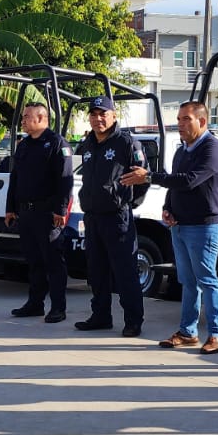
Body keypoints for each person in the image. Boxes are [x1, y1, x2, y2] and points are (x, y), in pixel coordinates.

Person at [124, 101, 218, 354]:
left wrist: (149, 176)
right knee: (188, 281)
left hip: (205, 227)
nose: (180, 124)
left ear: (201, 121)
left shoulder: (214, 149)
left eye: (186, 119)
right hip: (180, 226)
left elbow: (190, 181)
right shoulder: (182, 151)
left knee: (207, 280)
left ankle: (216, 334)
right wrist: (168, 207)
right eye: (179, 119)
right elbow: (175, 184)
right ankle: (187, 332)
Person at [72, 97, 147, 336]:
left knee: (125, 272)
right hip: (92, 217)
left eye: (103, 114)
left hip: (117, 218)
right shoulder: (87, 143)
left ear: (113, 116)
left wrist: (126, 202)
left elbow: (142, 179)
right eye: (93, 114)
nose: (98, 119)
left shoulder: (127, 143)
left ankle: (133, 320)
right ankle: (100, 316)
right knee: (97, 271)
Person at [4, 104, 74, 324]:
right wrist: (10, 208)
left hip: (47, 213)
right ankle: (35, 303)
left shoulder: (56, 143)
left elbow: (65, 180)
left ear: (41, 118)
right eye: (23, 117)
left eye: (27, 117)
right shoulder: (24, 145)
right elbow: (15, 178)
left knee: (53, 261)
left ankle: (58, 307)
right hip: (26, 212)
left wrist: (61, 210)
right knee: (34, 261)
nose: (23, 121)